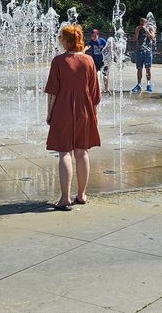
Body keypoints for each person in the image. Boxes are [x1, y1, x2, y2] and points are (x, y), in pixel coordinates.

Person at [44, 23, 101, 211]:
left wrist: (49, 114)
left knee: (64, 153)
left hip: (62, 110)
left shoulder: (58, 61)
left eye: (61, 37)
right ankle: (82, 194)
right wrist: (95, 115)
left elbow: (52, 92)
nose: (60, 40)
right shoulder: (89, 61)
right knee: (82, 152)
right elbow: (95, 93)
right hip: (85, 110)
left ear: (67, 40)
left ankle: (65, 198)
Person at [131, 17, 156, 93]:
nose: (141, 25)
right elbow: (135, 39)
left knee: (148, 68)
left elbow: (152, 37)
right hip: (139, 51)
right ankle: (139, 84)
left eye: (143, 24)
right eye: (140, 24)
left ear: (146, 23)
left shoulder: (150, 28)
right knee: (139, 68)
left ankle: (148, 84)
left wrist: (146, 30)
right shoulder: (138, 28)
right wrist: (138, 30)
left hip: (148, 51)